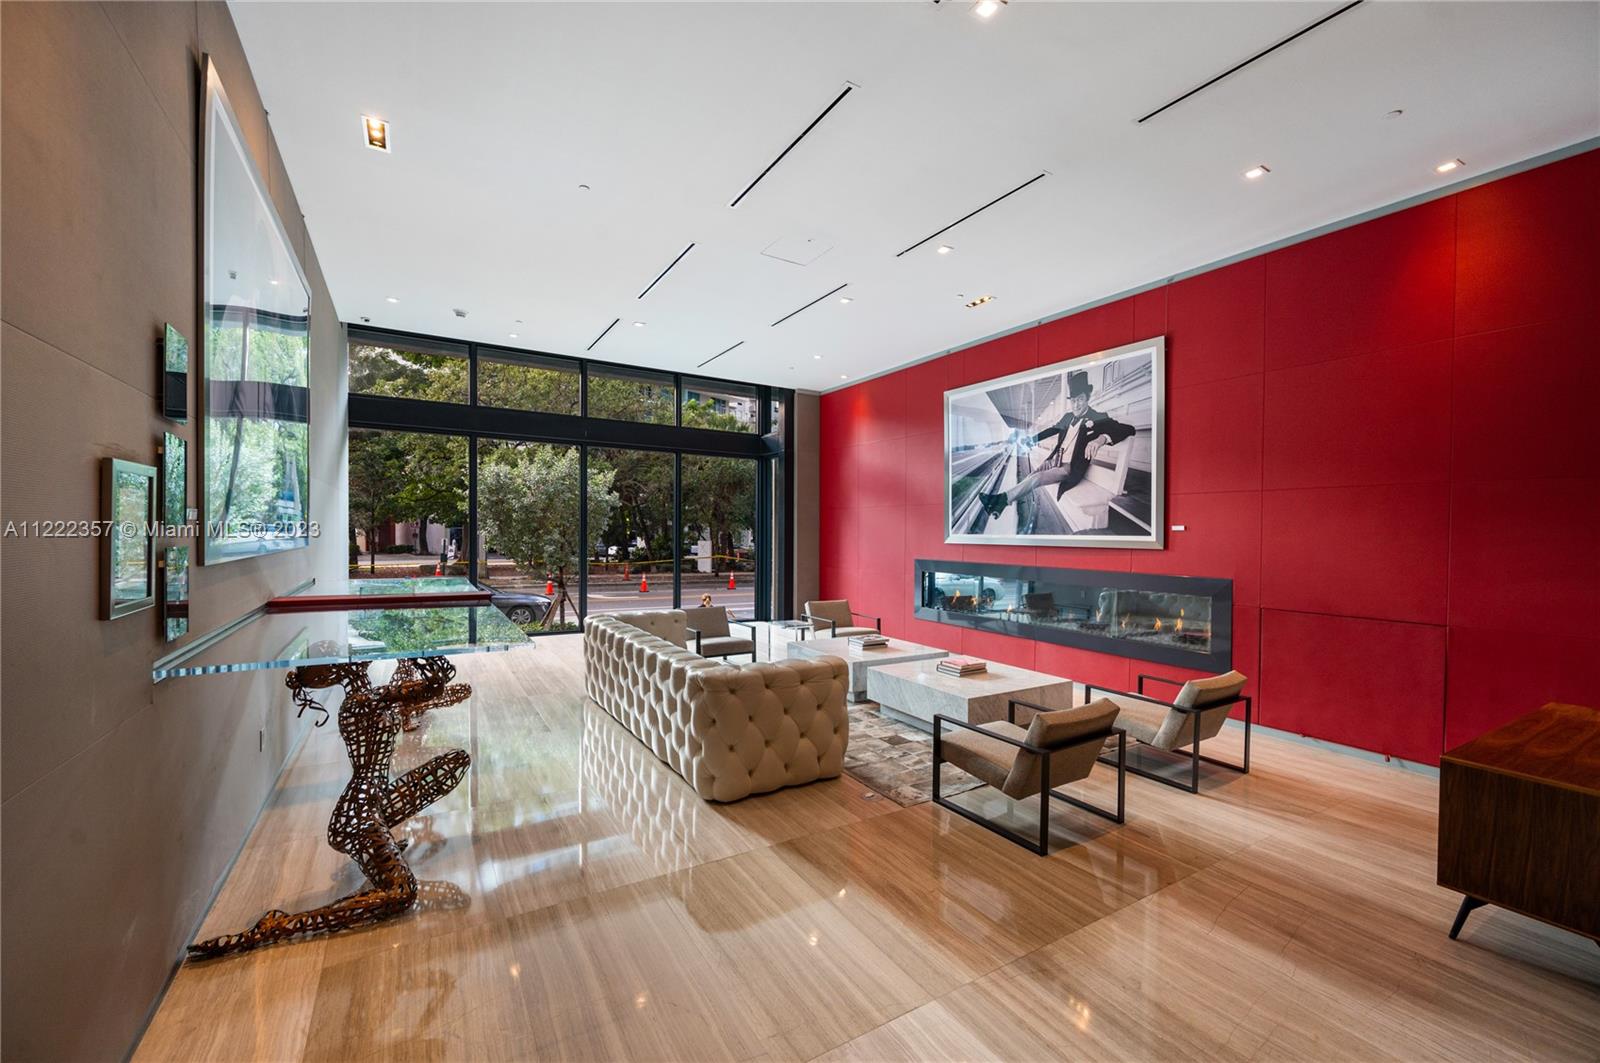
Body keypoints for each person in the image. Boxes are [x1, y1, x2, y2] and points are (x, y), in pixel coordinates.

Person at [979, 369, 1135, 518]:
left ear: (1087, 398)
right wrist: (1032, 439)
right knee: (1031, 476)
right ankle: (1000, 504)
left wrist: (1101, 439)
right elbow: (1052, 430)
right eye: (1073, 400)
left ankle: (1001, 501)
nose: (1076, 405)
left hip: (1069, 467)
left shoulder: (1097, 417)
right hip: (1054, 459)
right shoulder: (1067, 417)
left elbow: (1128, 429)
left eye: (1080, 399)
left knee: (1037, 478)